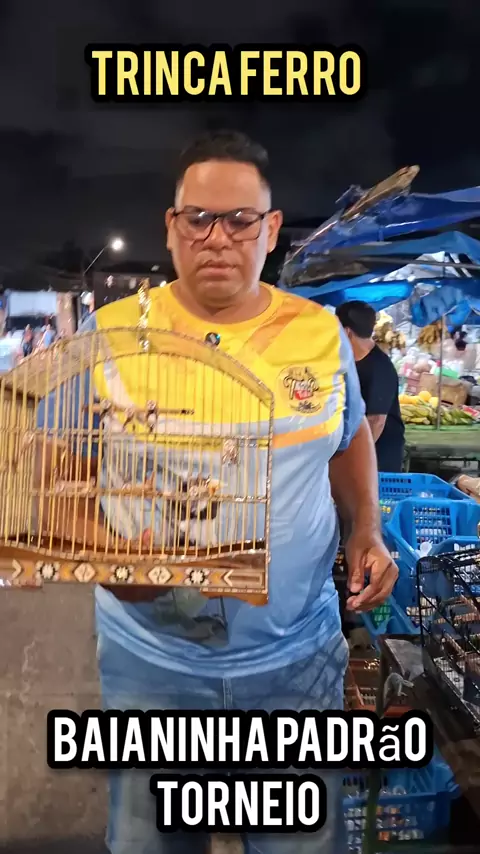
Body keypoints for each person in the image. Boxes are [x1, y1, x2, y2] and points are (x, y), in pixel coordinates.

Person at [58, 131, 397, 854]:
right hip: (152, 664)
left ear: (271, 229)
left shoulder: (317, 335)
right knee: (150, 839)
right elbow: (57, 468)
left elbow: (347, 438)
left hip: (296, 659)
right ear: (171, 226)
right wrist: (107, 556)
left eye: (241, 220)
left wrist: (366, 526)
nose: (218, 237)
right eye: (199, 218)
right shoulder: (108, 333)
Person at [336, 300, 405, 473]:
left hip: (378, 457)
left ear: (347, 332)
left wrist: (355, 459)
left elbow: (376, 421)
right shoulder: (351, 362)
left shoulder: (379, 368)